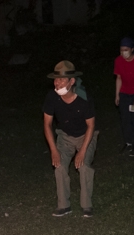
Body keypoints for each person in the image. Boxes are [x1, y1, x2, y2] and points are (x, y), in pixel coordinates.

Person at [43, 60, 98, 218]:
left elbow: (91, 126)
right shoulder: (52, 97)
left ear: (71, 81)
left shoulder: (84, 98)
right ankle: (64, 206)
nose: (57, 83)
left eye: (61, 79)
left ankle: (87, 205)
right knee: (59, 165)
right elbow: (47, 124)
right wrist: (54, 150)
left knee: (84, 166)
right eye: (55, 79)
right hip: (65, 136)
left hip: (85, 135)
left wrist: (82, 151)